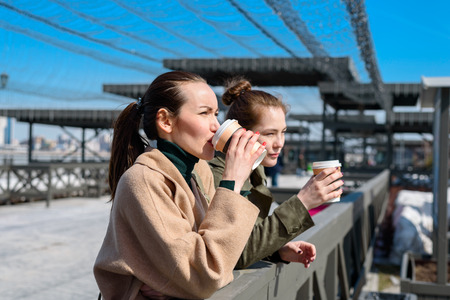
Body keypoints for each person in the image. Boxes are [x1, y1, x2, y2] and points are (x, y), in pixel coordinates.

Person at [93, 71, 267, 299]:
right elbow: (205, 275)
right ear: (166, 121)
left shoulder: (194, 171)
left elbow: (221, 254)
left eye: (216, 114)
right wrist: (232, 179)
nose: (216, 125)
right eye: (204, 113)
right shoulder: (144, 180)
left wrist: (169, 281)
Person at [209, 78, 344, 269]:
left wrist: (277, 250)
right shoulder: (218, 176)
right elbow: (231, 252)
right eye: (270, 133)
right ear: (239, 133)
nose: (280, 142)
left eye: (283, 132)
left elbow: (246, 238)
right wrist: (303, 202)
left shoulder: (254, 171)